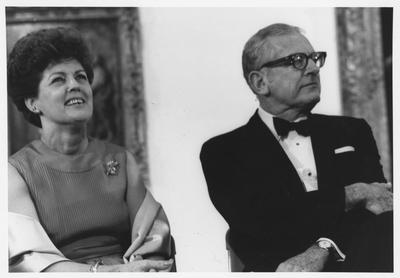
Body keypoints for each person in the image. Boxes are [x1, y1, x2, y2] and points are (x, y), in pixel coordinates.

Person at [200, 23, 393, 272]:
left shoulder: (352, 131)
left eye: (315, 59)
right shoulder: (223, 151)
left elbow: (379, 208)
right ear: (260, 82)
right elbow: (260, 222)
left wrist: (325, 247)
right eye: (297, 60)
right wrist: (353, 193)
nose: (313, 68)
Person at [8, 27, 175, 272]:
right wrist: (108, 273)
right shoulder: (15, 172)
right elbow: (31, 263)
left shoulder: (121, 161)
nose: (75, 85)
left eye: (81, 76)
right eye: (58, 79)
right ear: (33, 103)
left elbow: (154, 243)